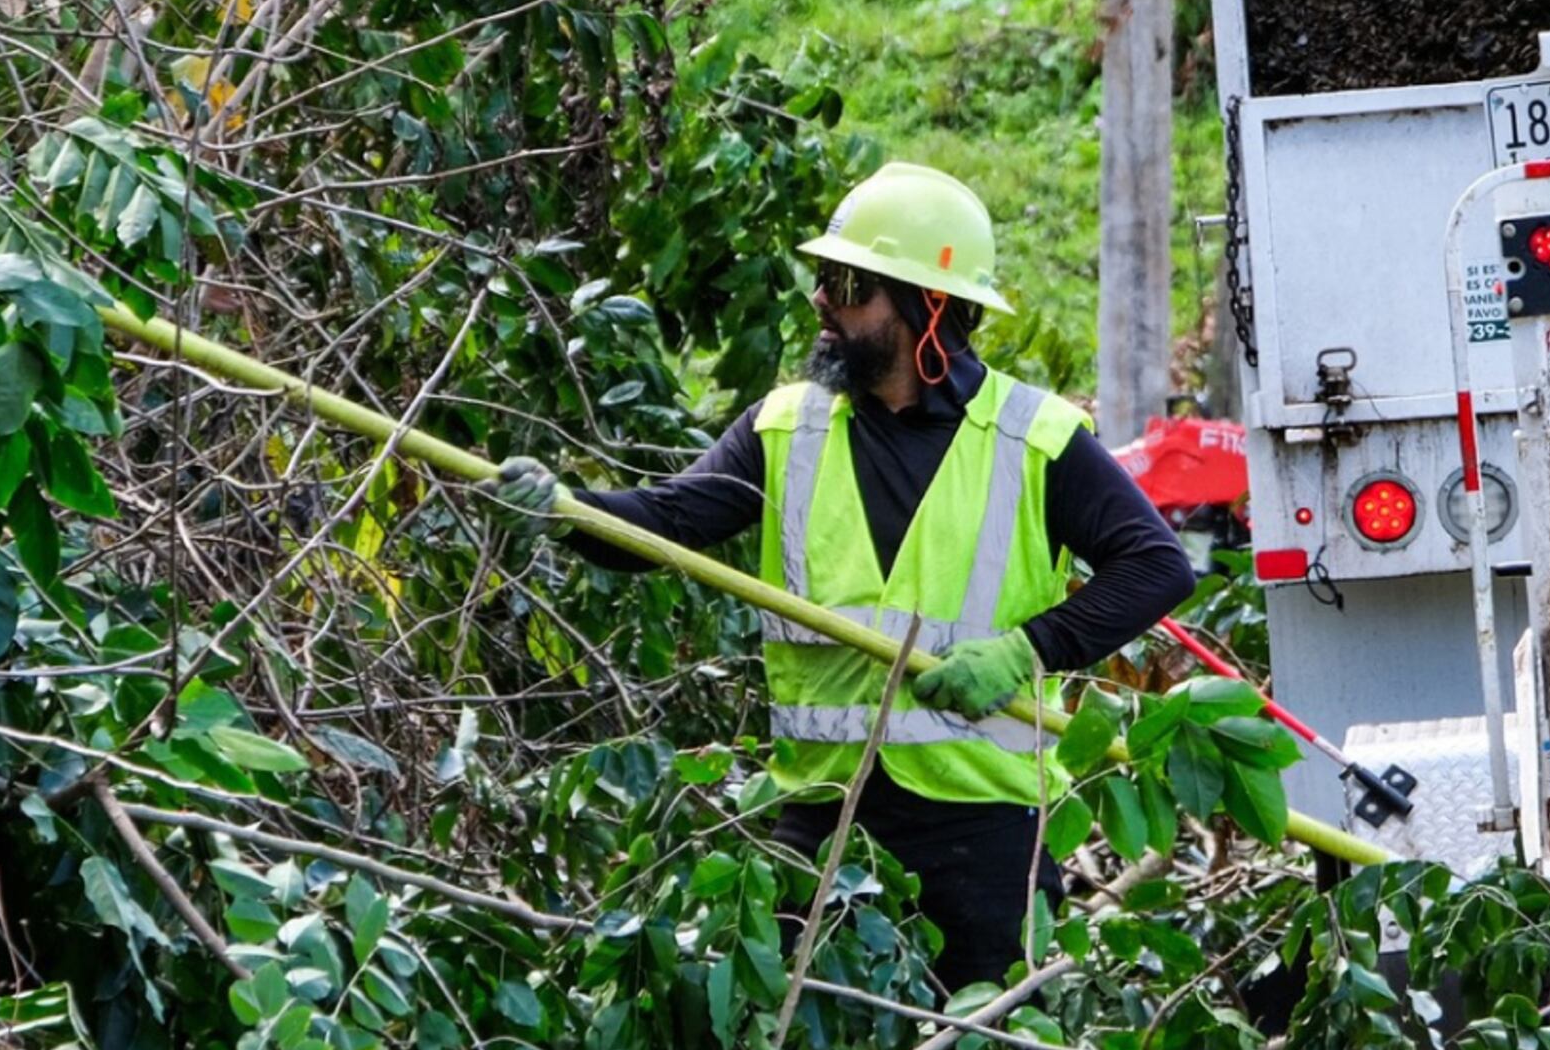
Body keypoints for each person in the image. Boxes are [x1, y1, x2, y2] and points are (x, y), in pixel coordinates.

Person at [489, 161, 1196, 993]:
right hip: (825, 821)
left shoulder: (1035, 436)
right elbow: (669, 524)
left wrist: (1025, 650)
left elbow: (1156, 566)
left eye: (848, 284)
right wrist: (568, 510)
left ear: (925, 307)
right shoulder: (785, 427)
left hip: (986, 830)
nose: (821, 300)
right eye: (823, 278)